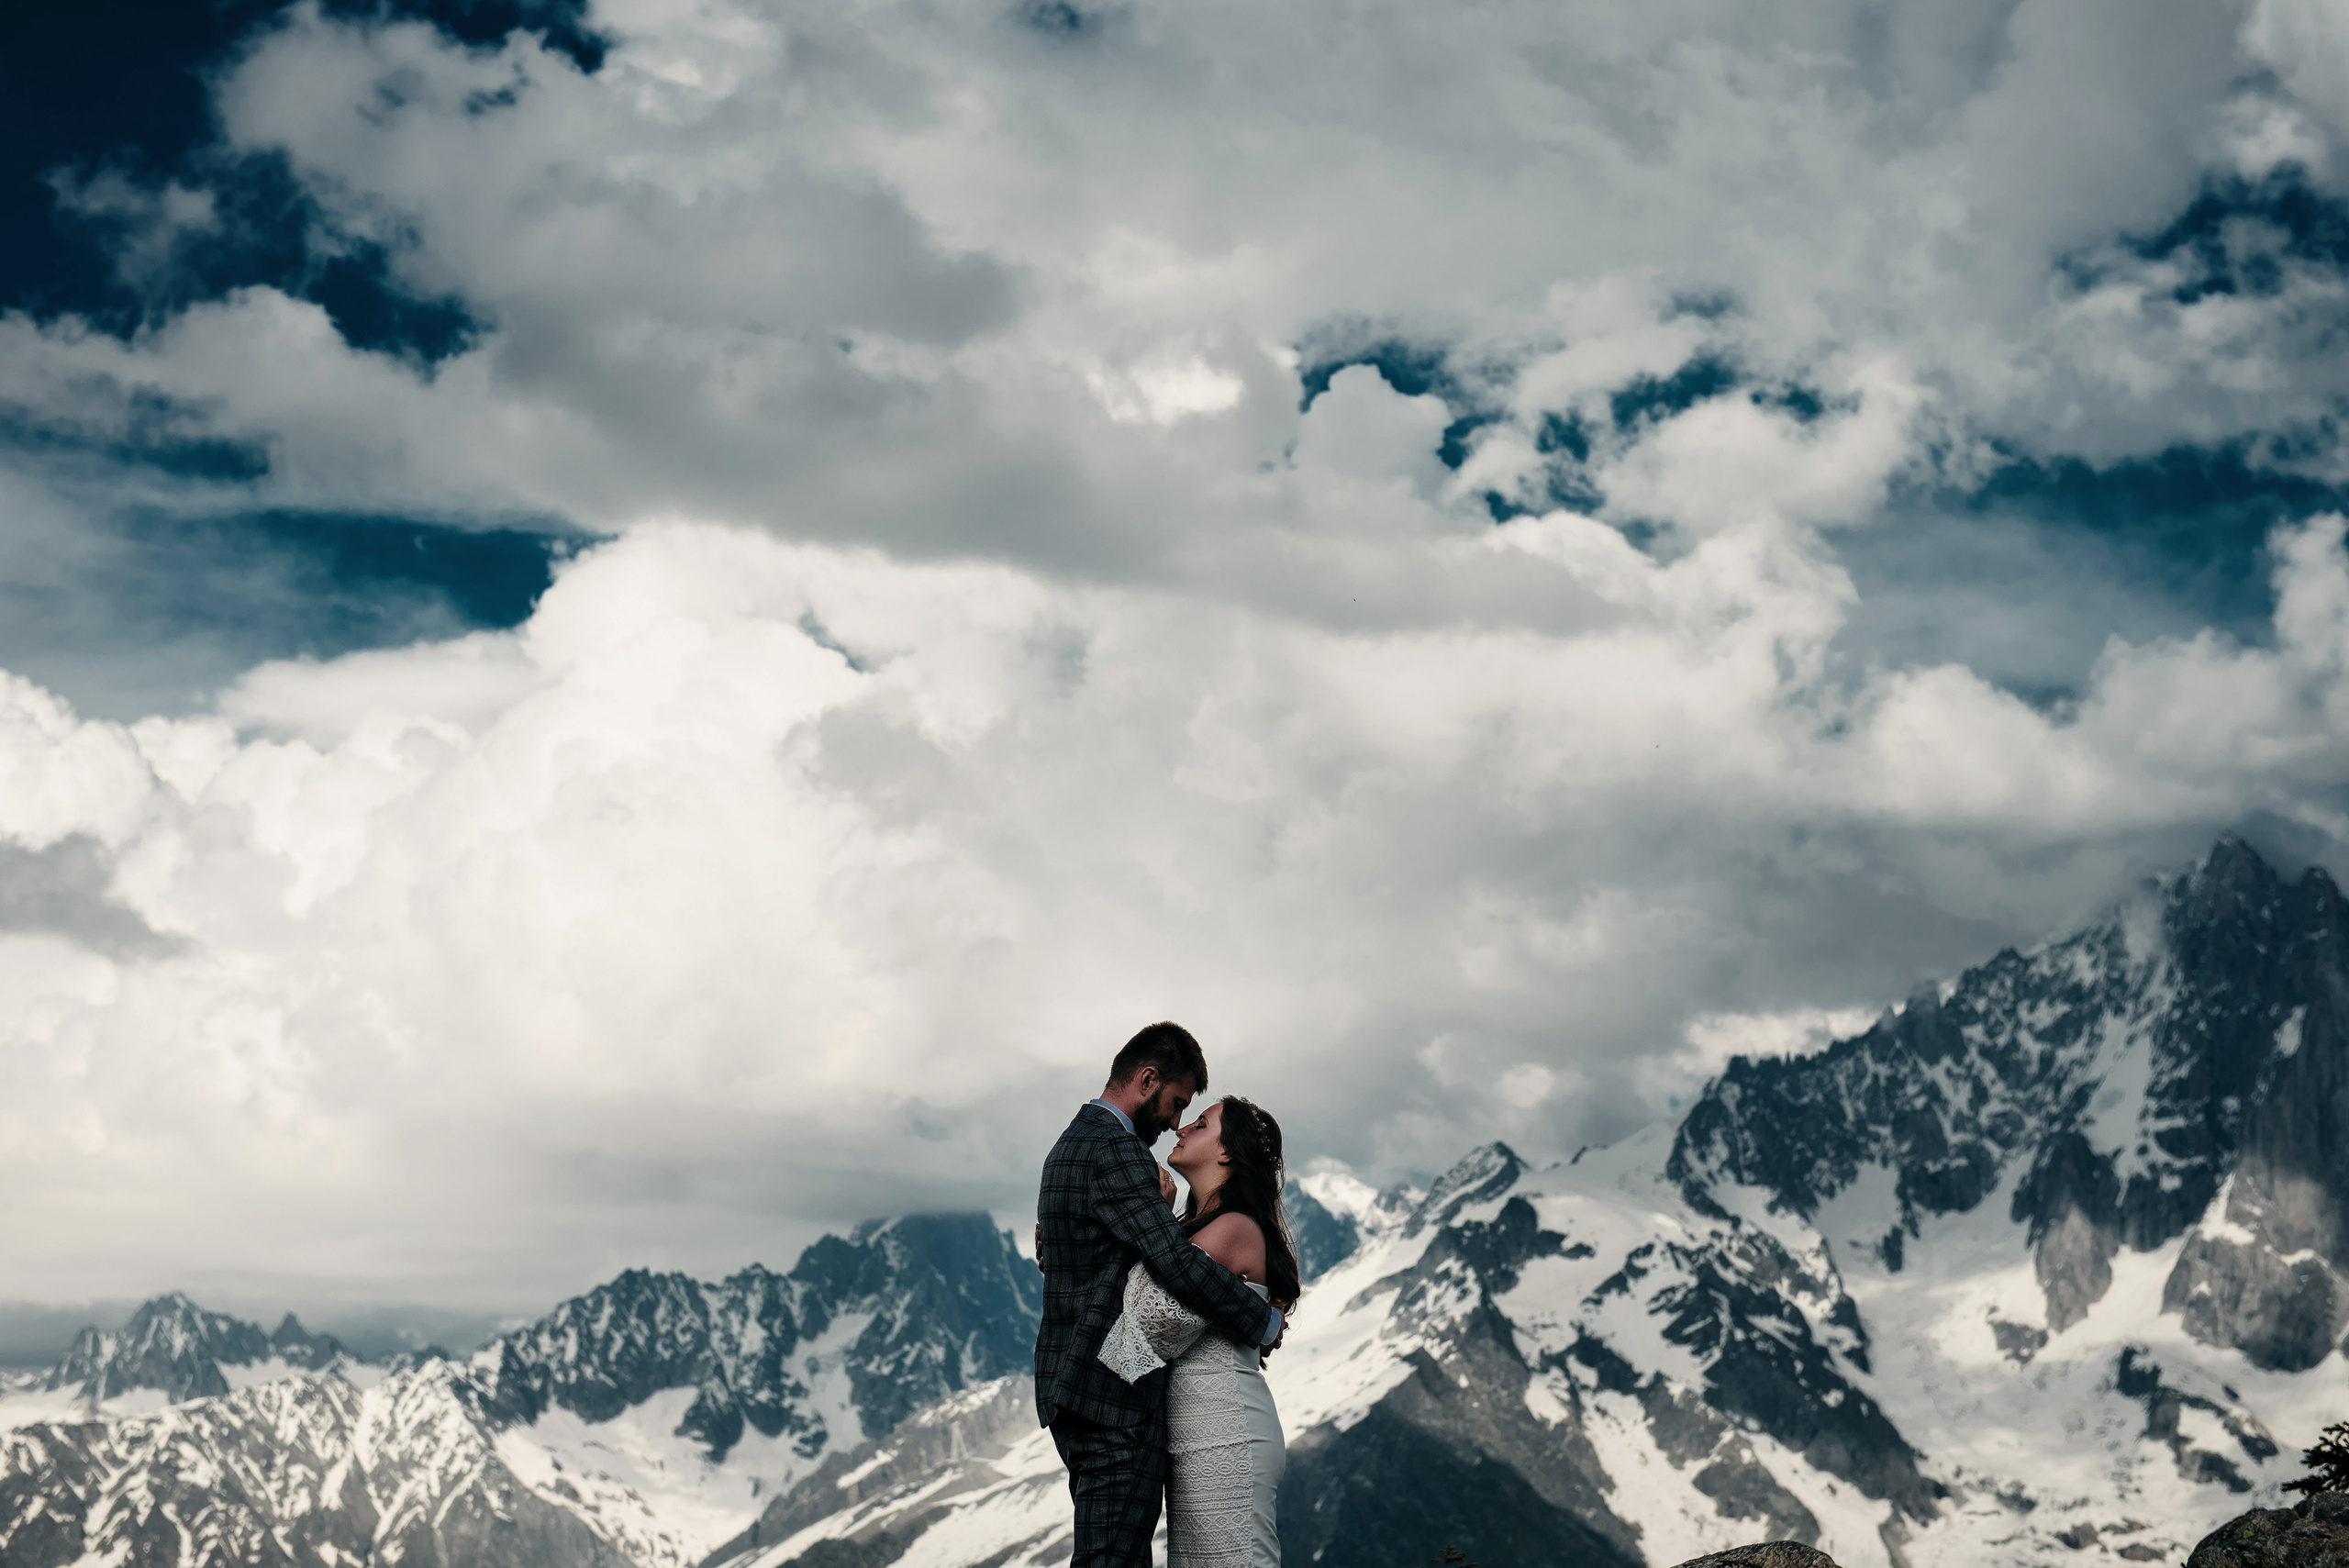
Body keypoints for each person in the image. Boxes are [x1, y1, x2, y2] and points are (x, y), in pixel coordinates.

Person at [1035, 1023, 1286, 1568]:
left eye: (1193, 1118)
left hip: (1093, 1393)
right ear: (1147, 1079)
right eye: (1177, 1105)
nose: (1176, 1123)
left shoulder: (1073, 1145)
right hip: (1111, 1402)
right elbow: (1173, 1265)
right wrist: (1262, 1321)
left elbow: (1102, 1263)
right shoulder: (1116, 1151)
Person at [1097, 1095, 1297, 1568]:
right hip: (1197, 1435)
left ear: (1226, 1153)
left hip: (1225, 1431)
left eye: (1202, 1123)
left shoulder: (1233, 1227)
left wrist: (1155, 1220)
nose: (1182, 1127)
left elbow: (1144, 1324)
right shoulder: (1195, 1230)